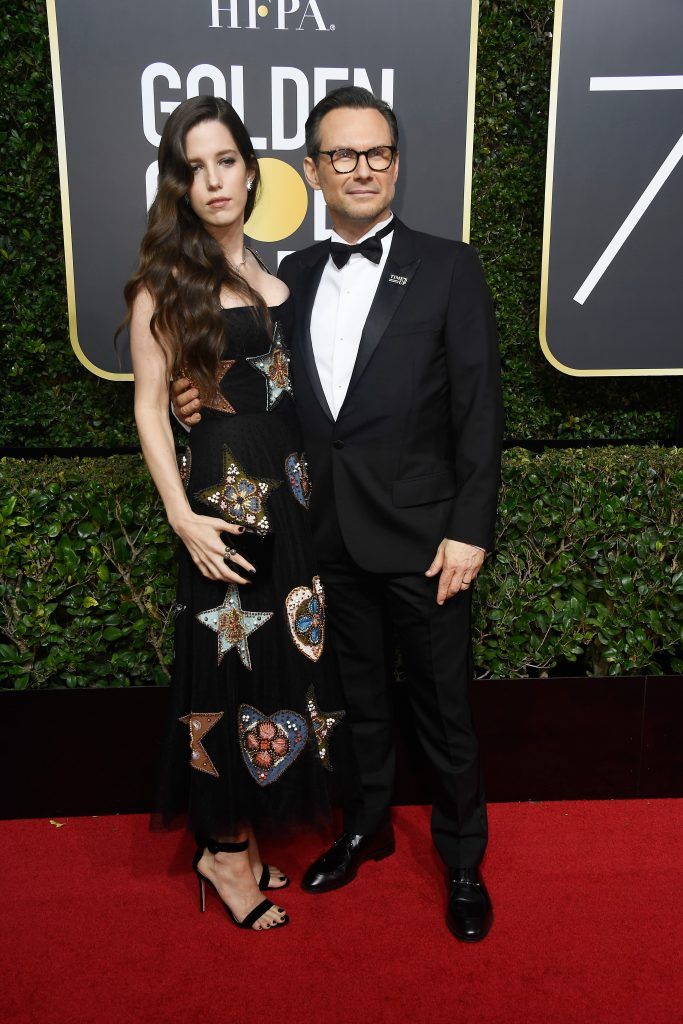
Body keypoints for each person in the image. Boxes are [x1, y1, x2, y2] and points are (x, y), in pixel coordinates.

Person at [173, 86, 504, 942]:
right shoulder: (293, 278)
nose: (362, 168)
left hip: (428, 540)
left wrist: (470, 527)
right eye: (343, 155)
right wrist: (192, 400)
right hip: (322, 537)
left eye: (378, 153)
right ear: (311, 170)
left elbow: (479, 408)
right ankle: (364, 827)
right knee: (350, 702)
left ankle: (463, 862)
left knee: (442, 707)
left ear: (394, 164)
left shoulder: (450, 265)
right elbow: (260, 389)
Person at [125, 95, 352, 933]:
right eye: (194, 167)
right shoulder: (164, 281)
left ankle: (244, 833)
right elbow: (152, 408)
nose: (213, 180)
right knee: (224, 671)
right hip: (221, 500)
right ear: (178, 185)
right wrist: (181, 514)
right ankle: (221, 850)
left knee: (278, 666)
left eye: (225, 161)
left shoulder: (276, 273)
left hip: (288, 497)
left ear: (253, 172)